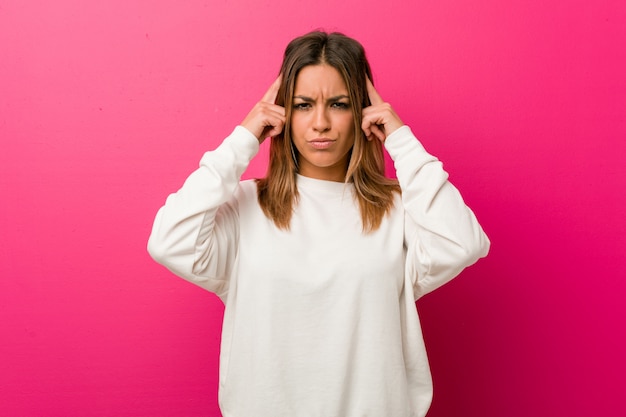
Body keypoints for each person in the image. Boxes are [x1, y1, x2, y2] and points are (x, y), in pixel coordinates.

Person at [148, 30, 489, 417]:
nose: (321, 122)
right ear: (282, 113)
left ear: (363, 112)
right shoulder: (245, 207)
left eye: (340, 104)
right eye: (303, 104)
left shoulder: (401, 208)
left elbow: (464, 243)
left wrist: (401, 140)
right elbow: (168, 241)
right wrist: (244, 138)